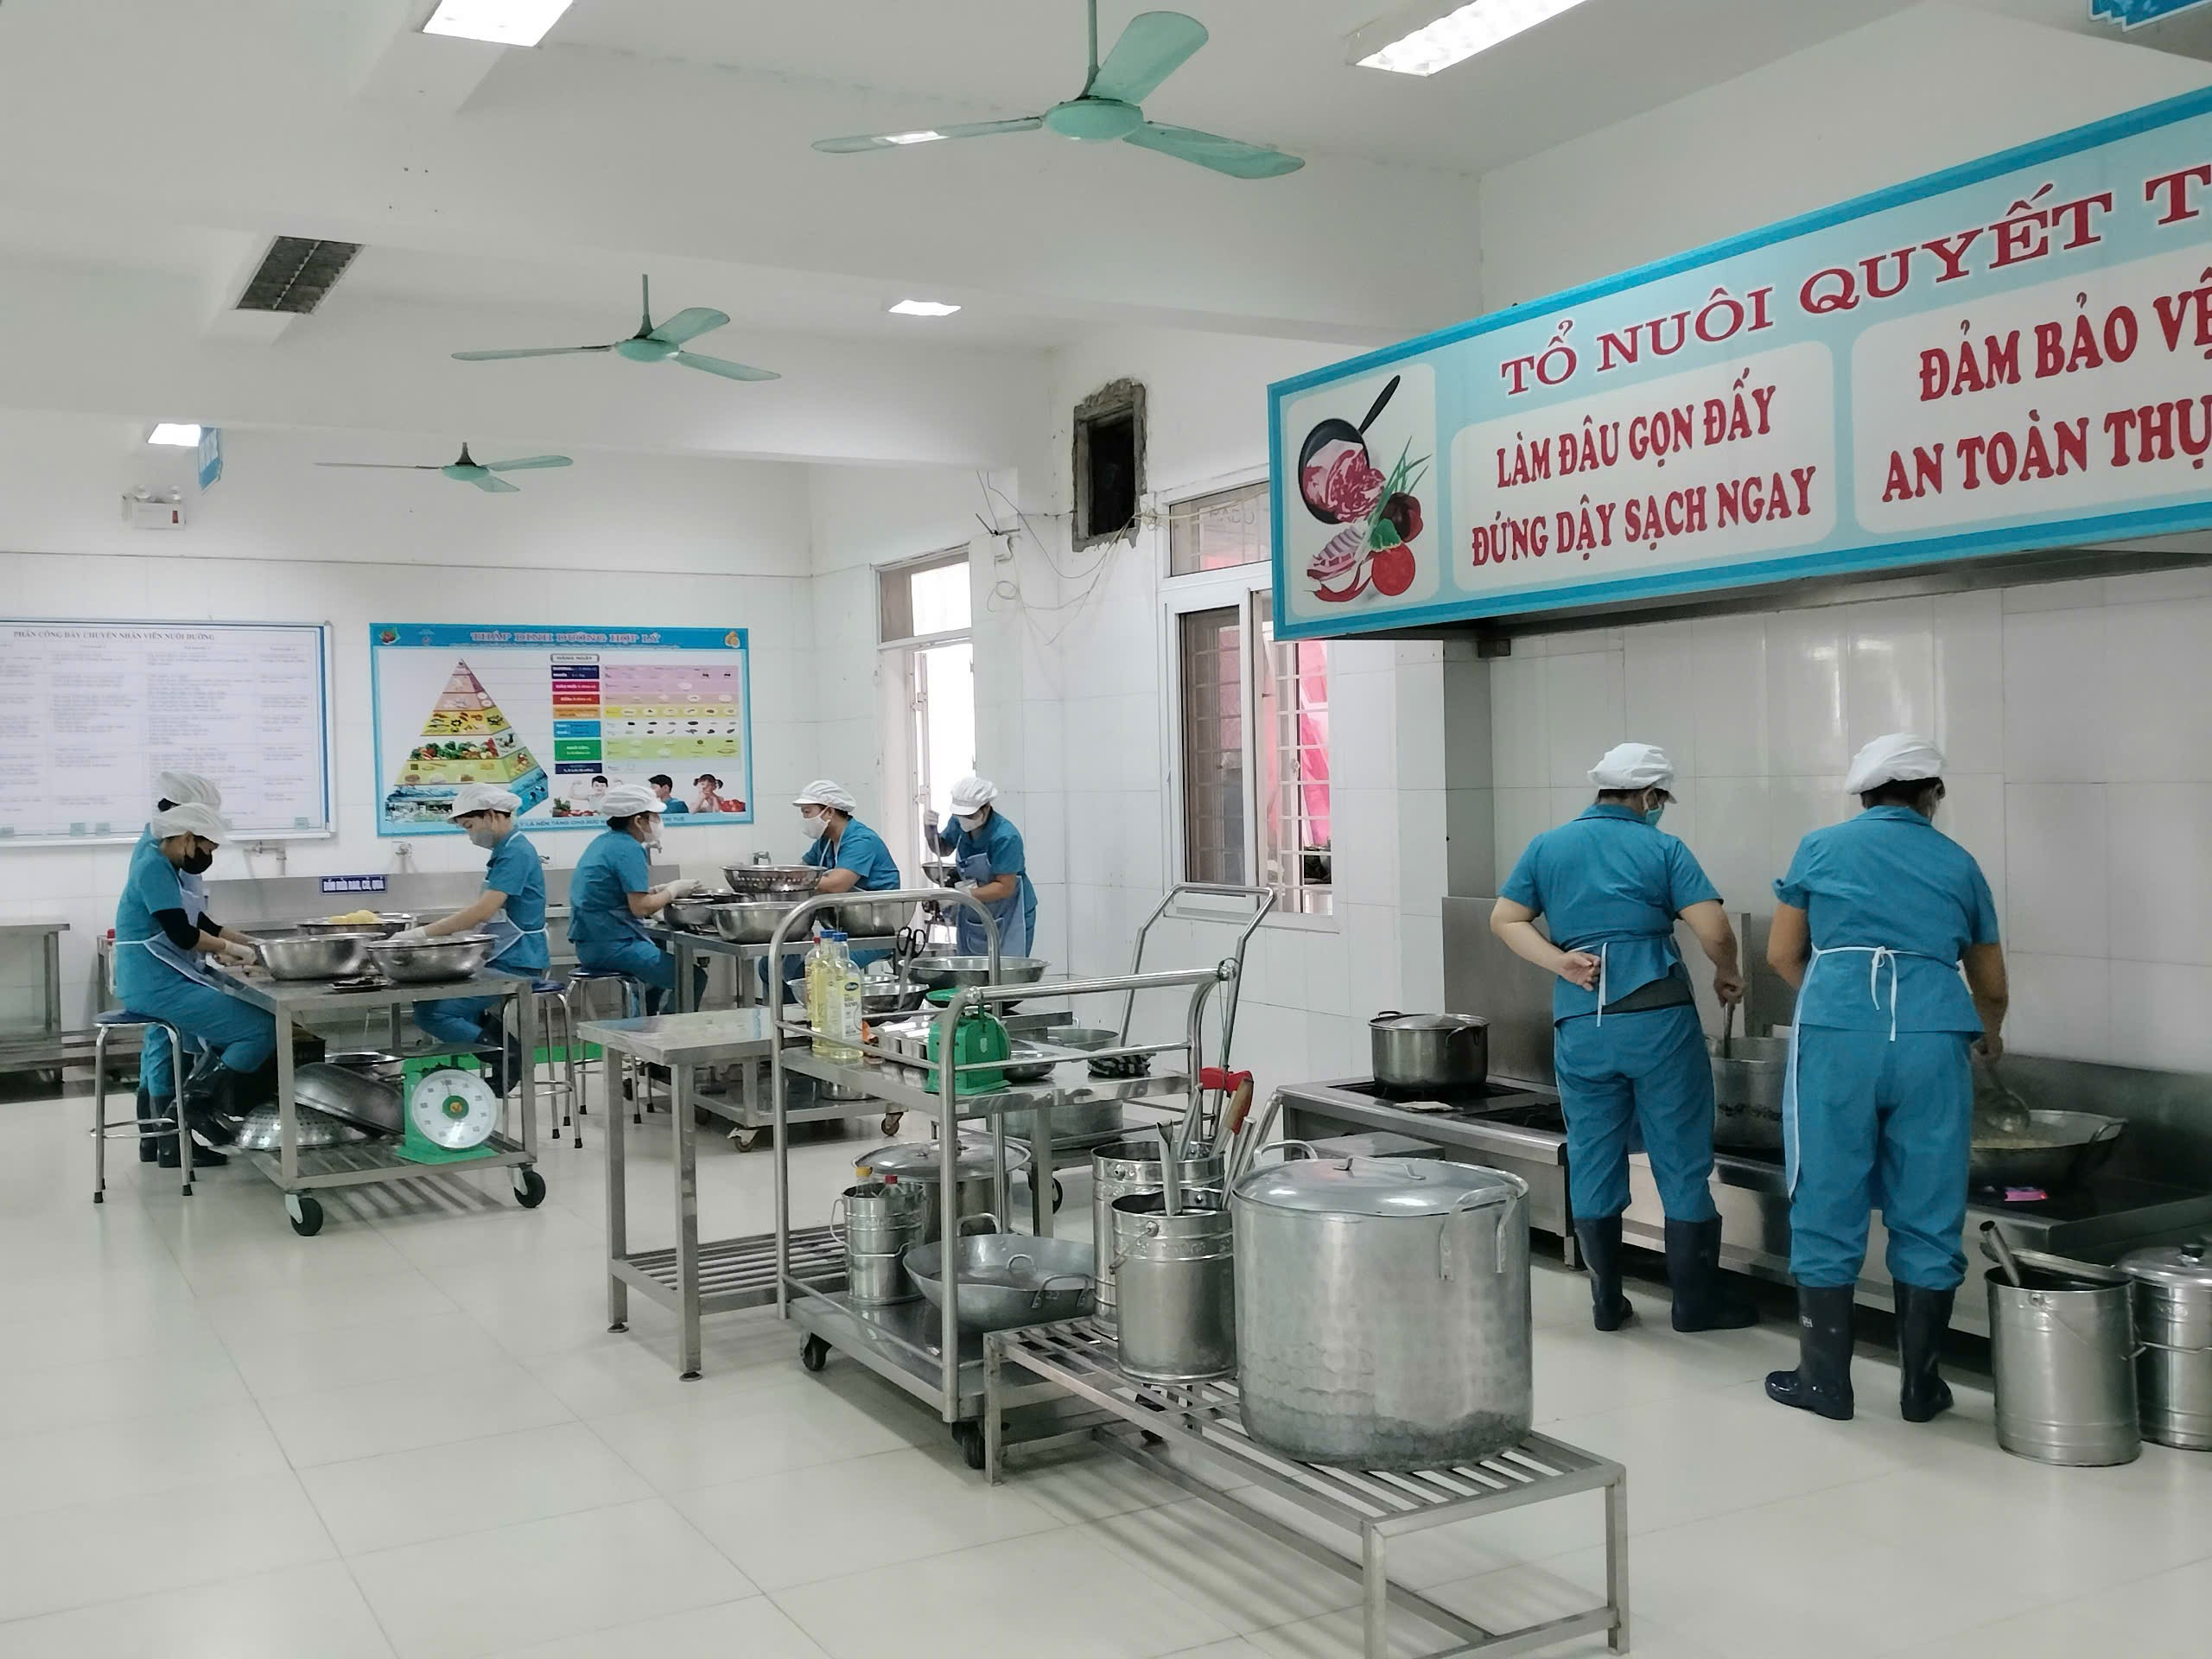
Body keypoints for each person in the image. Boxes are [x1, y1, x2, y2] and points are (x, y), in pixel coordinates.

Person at [1764, 734, 2008, 1425]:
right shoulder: (1958, 862)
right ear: (1934, 794)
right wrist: (1989, 1034)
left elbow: (1782, 953)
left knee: (1826, 1194)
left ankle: (1825, 1383)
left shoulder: (1820, 847)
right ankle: (1921, 1387)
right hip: (1933, 1036)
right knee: (1929, 1204)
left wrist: (1840, 1000)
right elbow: (1990, 983)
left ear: (1865, 794)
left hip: (1838, 1035)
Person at [1490, 743, 1752, 1333]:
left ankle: (1606, 1301)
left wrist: (1560, 961)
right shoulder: (1663, 849)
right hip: (1660, 1022)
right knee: (1681, 1158)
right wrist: (1728, 971)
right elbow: (1713, 928)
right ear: (1650, 796)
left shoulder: (1548, 847)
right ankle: (1694, 1305)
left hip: (1583, 1023)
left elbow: (1504, 919)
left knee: (1592, 1154)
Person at [113, 800, 272, 1168]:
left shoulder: (166, 866)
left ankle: (173, 1133)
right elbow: (183, 934)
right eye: (206, 849)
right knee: (260, 1029)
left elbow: (199, 922)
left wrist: (247, 944)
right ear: (187, 838)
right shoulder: (154, 867)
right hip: (155, 983)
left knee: (207, 1039)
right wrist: (230, 949)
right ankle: (192, 1107)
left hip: (160, 978)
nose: (207, 858)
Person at [393, 784, 548, 1095]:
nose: (470, 835)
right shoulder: (506, 851)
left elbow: (483, 911)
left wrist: (419, 934)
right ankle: (505, 1052)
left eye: (469, 826)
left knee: (433, 1013)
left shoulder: (515, 853)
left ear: (491, 815)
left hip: (519, 961)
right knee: (431, 1005)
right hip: (503, 955)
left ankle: (508, 1058)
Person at [566, 783, 703, 1014]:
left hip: (593, 944)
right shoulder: (628, 848)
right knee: (692, 977)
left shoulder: (604, 842)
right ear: (638, 820)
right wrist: (673, 890)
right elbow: (640, 908)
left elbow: (615, 894)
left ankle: (647, 1027)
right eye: (655, 816)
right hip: (613, 946)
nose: (658, 822)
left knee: (655, 982)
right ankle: (671, 1033)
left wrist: (655, 891)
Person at [765, 780, 903, 994]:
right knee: (770, 965)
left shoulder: (862, 840)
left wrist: (791, 879)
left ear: (829, 811)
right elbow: (801, 869)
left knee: (814, 972)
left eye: (808, 812)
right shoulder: (826, 842)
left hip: (874, 932)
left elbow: (836, 885)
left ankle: (809, 1011)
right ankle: (793, 1011)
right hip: (841, 928)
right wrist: (779, 879)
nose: (805, 819)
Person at [928, 774, 1035, 957]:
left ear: (986, 807)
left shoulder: (1005, 837)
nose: (965, 820)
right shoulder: (960, 822)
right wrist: (930, 832)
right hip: (976, 911)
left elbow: (1005, 887)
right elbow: (943, 849)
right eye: (961, 816)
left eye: (970, 815)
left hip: (1009, 913)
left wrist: (961, 895)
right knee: (970, 968)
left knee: (1005, 968)